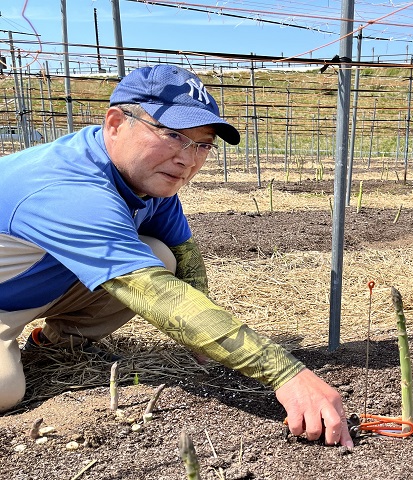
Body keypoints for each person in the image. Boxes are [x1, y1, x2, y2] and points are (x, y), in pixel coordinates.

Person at [0, 65, 353, 448]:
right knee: (6, 392)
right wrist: (285, 372)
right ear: (116, 123)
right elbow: (155, 294)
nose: (189, 159)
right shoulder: (68, 189)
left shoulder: (144, 180)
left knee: (159, 256)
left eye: (203, 145)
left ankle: (49, 345)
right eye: (173, 136)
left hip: (25, 288)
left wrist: (202, 342)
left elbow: (186, 260)